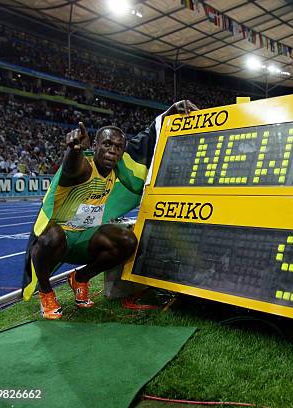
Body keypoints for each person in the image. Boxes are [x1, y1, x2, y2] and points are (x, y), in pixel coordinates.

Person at [25, 100, 198, 319]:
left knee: (127, 241)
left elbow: (144, 142)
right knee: (51, 236)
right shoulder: (84, 167)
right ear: (94, 146)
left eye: (117, 147)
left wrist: (168, 113)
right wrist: (74, 151)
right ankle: (46, 292)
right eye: (106, 145)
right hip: (59, 241)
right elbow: (71, 168)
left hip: (85, 239)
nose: (112, 151)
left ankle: (80, 278)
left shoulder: (119, 169)